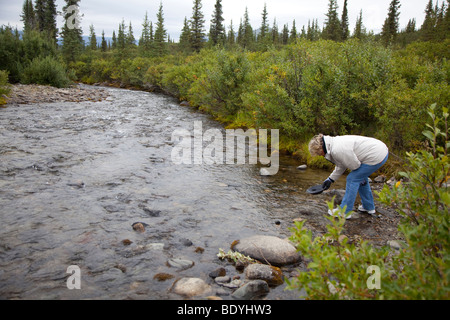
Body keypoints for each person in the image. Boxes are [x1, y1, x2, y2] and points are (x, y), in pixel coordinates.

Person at [308, 134, 389, 219]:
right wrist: (330, 179)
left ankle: (345, 212)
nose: (320, 155)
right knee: (360, 177)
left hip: (376, 155)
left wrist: (358, 177)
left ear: (320, 148)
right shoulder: (333, 144)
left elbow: (355, 166)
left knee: (352, 179)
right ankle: (368, 207)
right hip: (380, 150)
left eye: (318, 153)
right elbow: (342, 164)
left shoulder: (337, 150)